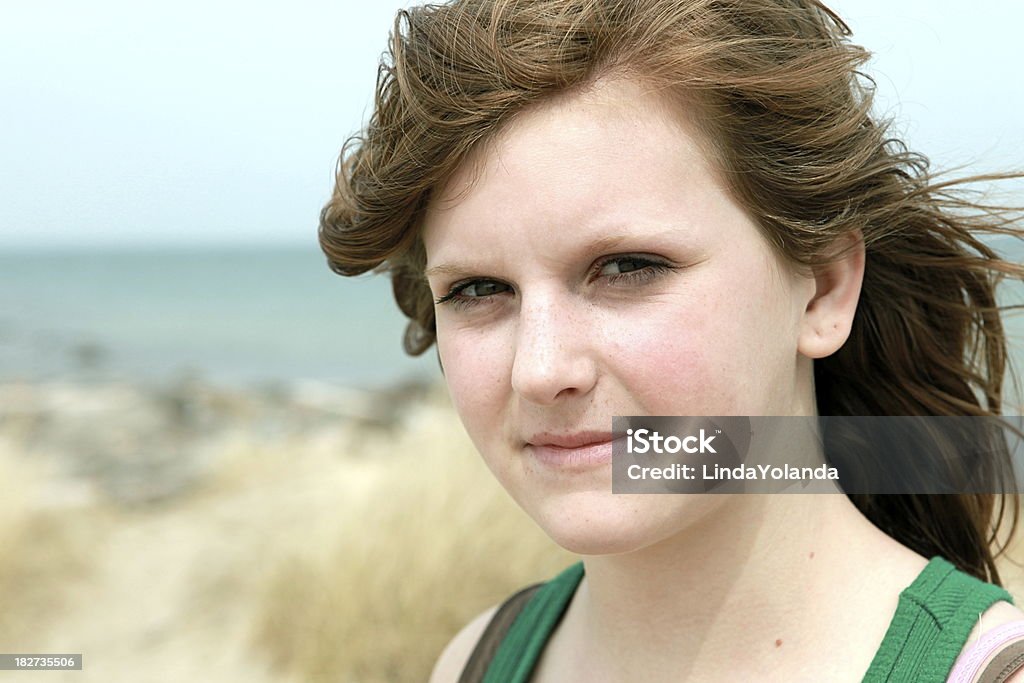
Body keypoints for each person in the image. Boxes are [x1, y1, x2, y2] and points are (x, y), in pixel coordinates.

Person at [319, 1, 1024, 680]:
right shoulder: (474, 663)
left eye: (627, 268)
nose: (539, 370)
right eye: (479, 289)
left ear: (823, 289)